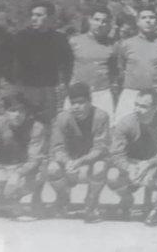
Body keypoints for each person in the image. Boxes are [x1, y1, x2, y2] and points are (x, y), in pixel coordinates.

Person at [107, 88, 157, 225]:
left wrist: (150, 163)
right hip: (132, 164)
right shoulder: (125, 122)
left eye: (144, 106)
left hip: (156, 164)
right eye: (136, 104)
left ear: (155, 107)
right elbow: (116, 154)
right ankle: (127, 199)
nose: (138, 109)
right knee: (112, 175)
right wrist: (129, 167)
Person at [0, 93, 47, 217]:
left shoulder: (36, 127)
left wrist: (18, 173)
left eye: (21, 110)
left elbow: (35, 158)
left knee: (41, 170)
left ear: (27, 111)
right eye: (12, 110)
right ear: (5, 112)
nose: (17, 115)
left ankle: (17, 200)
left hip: (21, 168)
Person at [48, 82, 110, 222]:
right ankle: (63, 197)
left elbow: (100, 148)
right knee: (52, 168)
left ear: (89, 101)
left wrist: (81, 161)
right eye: (73, 103)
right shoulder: (62, 117)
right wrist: (67, 161)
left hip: (91, 163)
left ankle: (91, 203)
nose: (76, 107)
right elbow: (57, 147)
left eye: (81, 102)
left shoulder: (101, 116)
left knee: (100, 167)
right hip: (70, 162)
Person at [13, 0, 74, 124]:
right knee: (25, 124)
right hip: (26, 90)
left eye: (39, 15)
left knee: (48, 125)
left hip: (49, 91)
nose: (34, 18)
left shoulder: (59, 39)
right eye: (32, 15)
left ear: (50, 18)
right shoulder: (21, 37)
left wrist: (64, 85)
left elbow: (68, 65)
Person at [116, 5, 157, 122]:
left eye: (152, 17)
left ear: (156, 21)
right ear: (137, 22)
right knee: (125, 129)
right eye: (144, 17)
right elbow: (120, 69)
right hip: (131, 94)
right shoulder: (126, 44)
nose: (148, 20)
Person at [64, 5, 117, 121]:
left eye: (104, 21)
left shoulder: (113, 45)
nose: (100, 24)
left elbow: (114, 72)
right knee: (71, 129)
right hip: (77, 94)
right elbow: (65, 68)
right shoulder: (74, 41)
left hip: (102, 93)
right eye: (97, 20)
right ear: (90, 20)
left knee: (104, 128)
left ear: (108, 24)